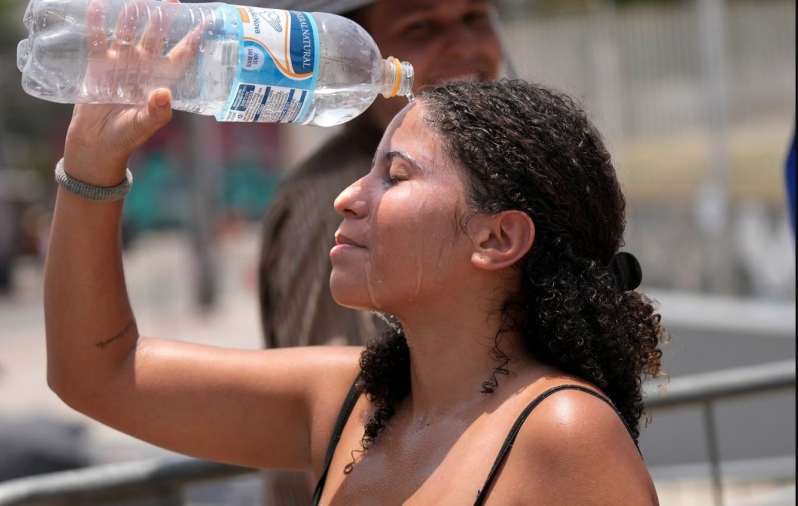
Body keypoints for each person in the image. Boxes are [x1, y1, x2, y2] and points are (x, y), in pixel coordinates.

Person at [45, 65, 668, 504]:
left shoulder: (564, 434)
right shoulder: (348, 399)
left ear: (497, 239)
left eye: (395, 176)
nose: (347, 198)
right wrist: (91, 167)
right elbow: (98, 372)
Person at [255, 3, 504, 498]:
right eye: (421, 27)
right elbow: (345, 430)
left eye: (475, 17)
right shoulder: (341, 204)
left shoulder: (482, 176)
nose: (463, 46)